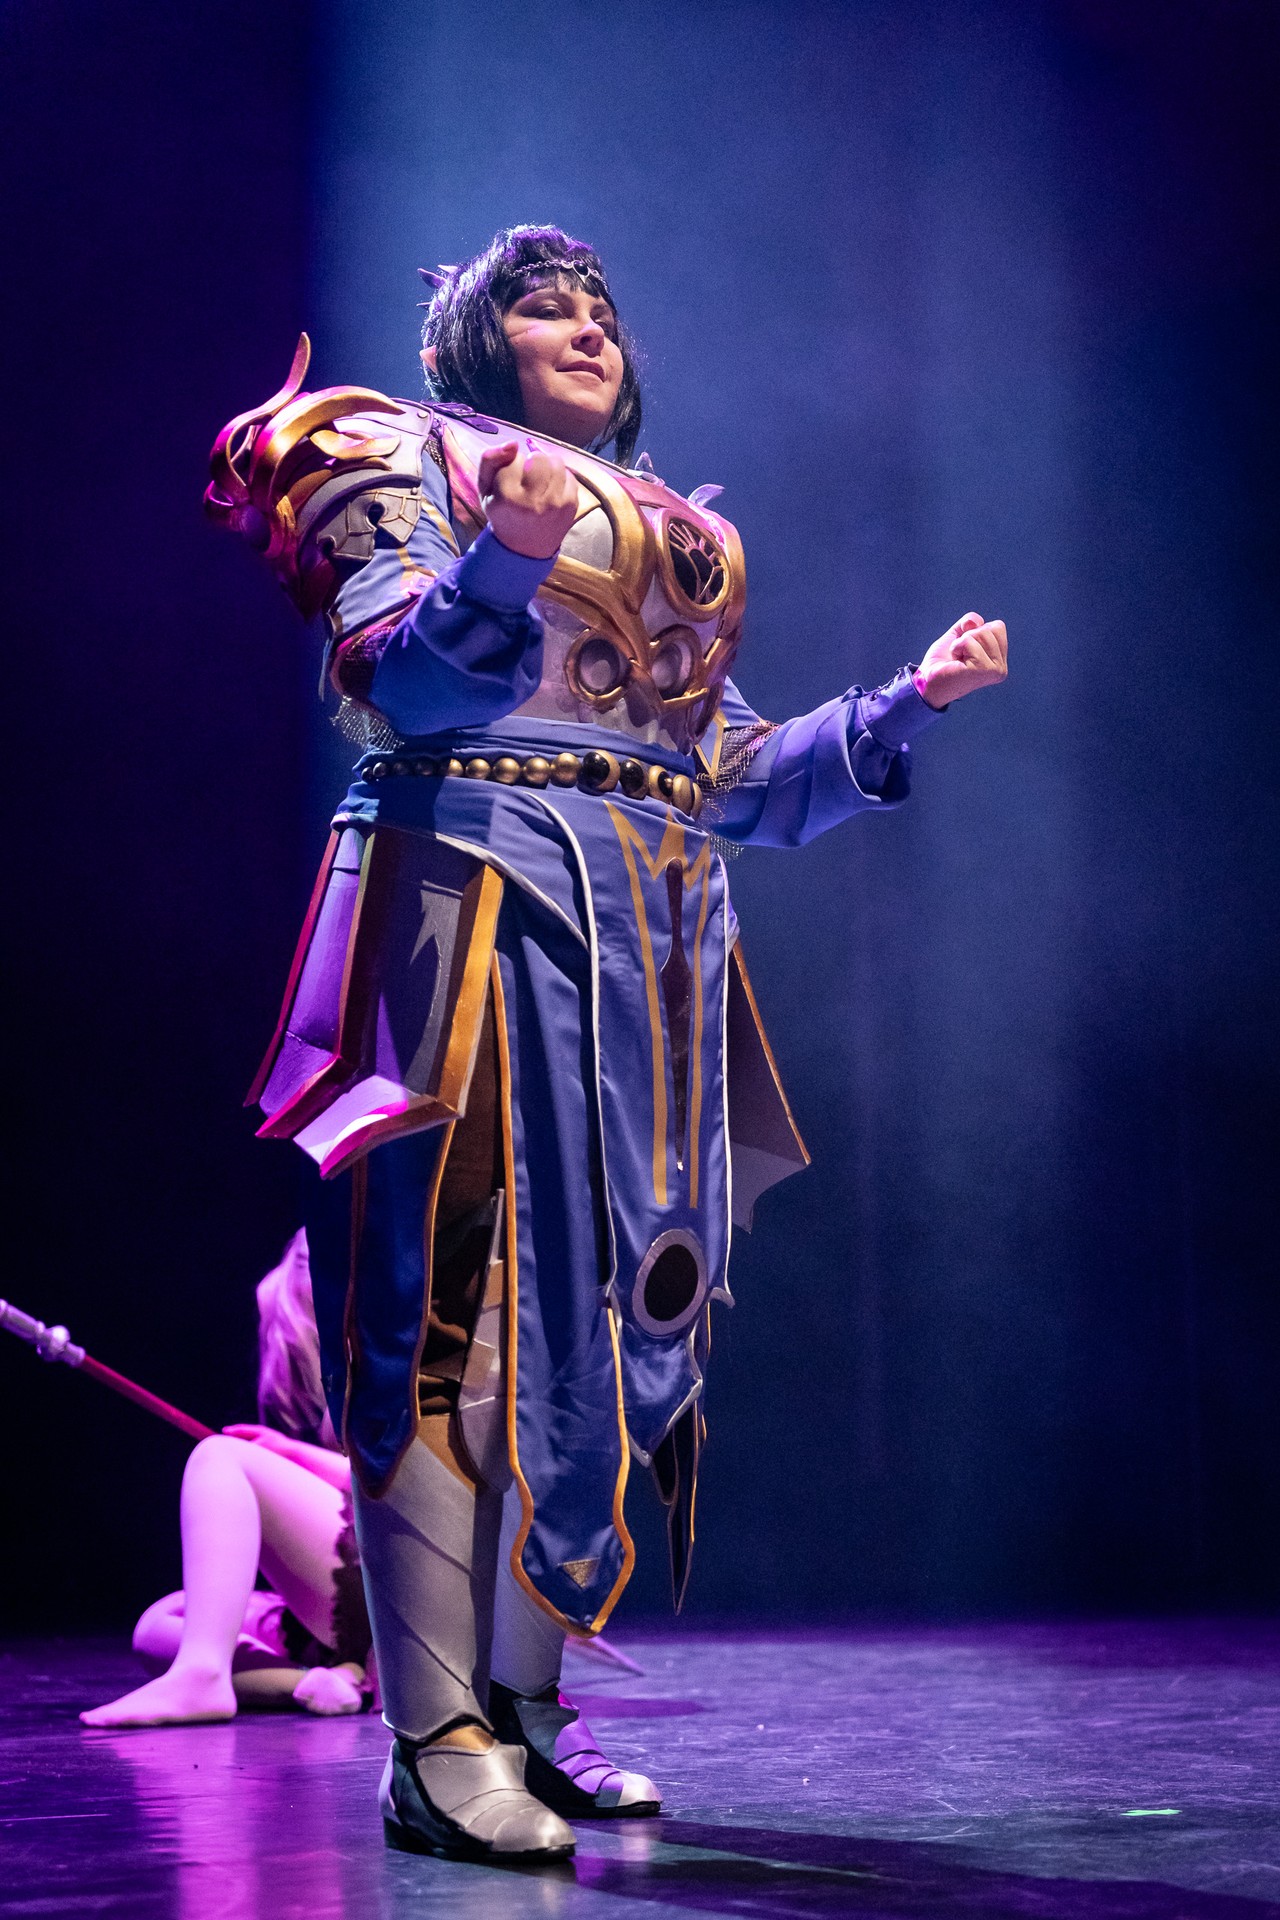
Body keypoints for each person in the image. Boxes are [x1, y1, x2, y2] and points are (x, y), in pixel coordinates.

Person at [206, 224, 1007, 1862]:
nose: (583, 329)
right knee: (457, 1319)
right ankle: (434, 1739)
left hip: (652, 927)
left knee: (606, 1326)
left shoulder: (665, 537)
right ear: (475, 348)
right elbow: (400, 681)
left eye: (599, 310)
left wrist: (902, 706)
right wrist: (503, 552)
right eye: (541, 309)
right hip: (473, 899)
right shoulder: (405, 455)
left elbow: (724, 772)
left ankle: (523, 1709)